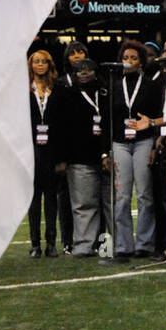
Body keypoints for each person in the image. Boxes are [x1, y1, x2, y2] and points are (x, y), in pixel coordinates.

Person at [108, 40, 163, 261]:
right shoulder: (113, 85)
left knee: (144, 194)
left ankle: (145, 243)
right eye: (125, 57)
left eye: (133, 58)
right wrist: (107, 151)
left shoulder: (151, 85)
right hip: (120, 142)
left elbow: (158, 114)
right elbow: (108, 120)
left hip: (143, 141)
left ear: (140, 62)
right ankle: (123, 244)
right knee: (121, 196)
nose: (128, 61)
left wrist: (156, 142)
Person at [50, 58, 109, 257]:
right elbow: (60, 128)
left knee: (111, 203)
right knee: (84, 205)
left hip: (107, 154)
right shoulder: (67, 94)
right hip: (79, 157)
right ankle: (84, 245)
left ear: (95, 71)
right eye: (79, 70)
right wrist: (61, 158)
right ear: (73, 73)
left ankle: (114, 245)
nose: (84, 73)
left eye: (88, 69)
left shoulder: (106, 92)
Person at [28, 50, 62, 258]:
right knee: (33, 200)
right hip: (30, 151)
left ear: (49, 65)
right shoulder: (23, 90)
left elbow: (62, 125)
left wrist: (61, 158)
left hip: (51, 151)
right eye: (36, 62)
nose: (40, 65)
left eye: (43, 62)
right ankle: (34, 244)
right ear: (30, 65)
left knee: (51, 199)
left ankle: (51, 243)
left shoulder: (57, 89)